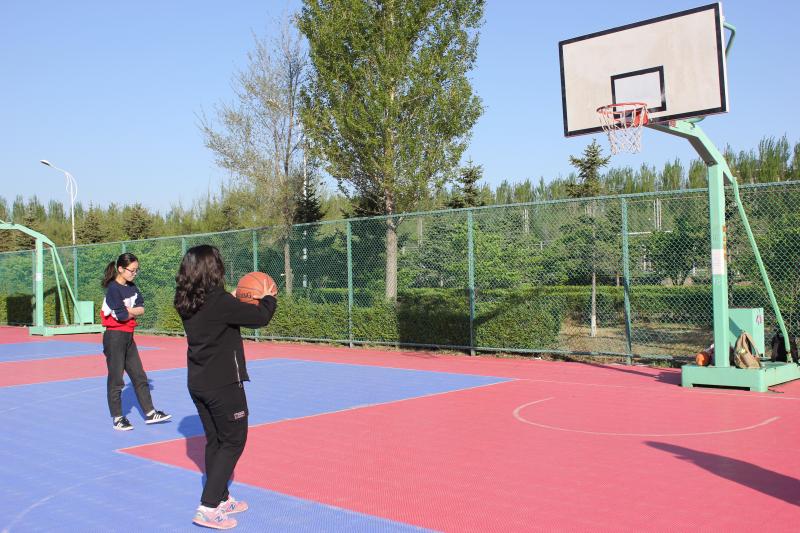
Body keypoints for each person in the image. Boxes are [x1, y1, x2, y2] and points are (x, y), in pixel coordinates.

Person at [174, 245, 277, 530]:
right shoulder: (219, 302)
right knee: (233, 441)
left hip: (198, 382)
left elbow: (218, 309)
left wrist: (234, 297)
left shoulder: (184, 300)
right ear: (213, 269)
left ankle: (220, 498)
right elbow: (260, 318)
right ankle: (208, 507)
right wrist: (268, 296)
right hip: (223, 384)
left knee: (215, 441)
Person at [101, 252, 171, 431]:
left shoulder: (132, 287)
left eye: (136, 270)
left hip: (128, 337)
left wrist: (130, 310)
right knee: (116, 379)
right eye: (132, 270)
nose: (134, 273)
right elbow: (122, 316)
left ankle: (150, 413)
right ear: (120, 269)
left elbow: (142, 308)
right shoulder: (113, 289)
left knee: (139, 376)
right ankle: (118, 418)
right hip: (114, 337)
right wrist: (132, 311)